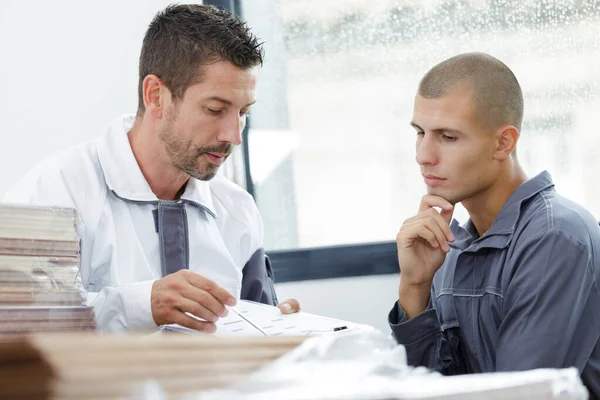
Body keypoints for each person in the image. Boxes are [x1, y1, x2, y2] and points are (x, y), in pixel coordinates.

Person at [4, 4, 299, 333]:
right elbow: (18, 330)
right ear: (155, 95)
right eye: (215, 109)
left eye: (243, 112)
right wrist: (138, 306)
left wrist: (281, 329)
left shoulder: (239, 211)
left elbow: (258, 334)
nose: (233, 135)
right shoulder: (52, 193)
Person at [389, 52, 600, 398]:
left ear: (504, 142)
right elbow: (427, 389)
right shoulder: (449, 246)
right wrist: (415, 286)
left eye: (448, 137)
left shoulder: (554, 238)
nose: (423, 155)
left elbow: (518, 394)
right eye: (420, 132)